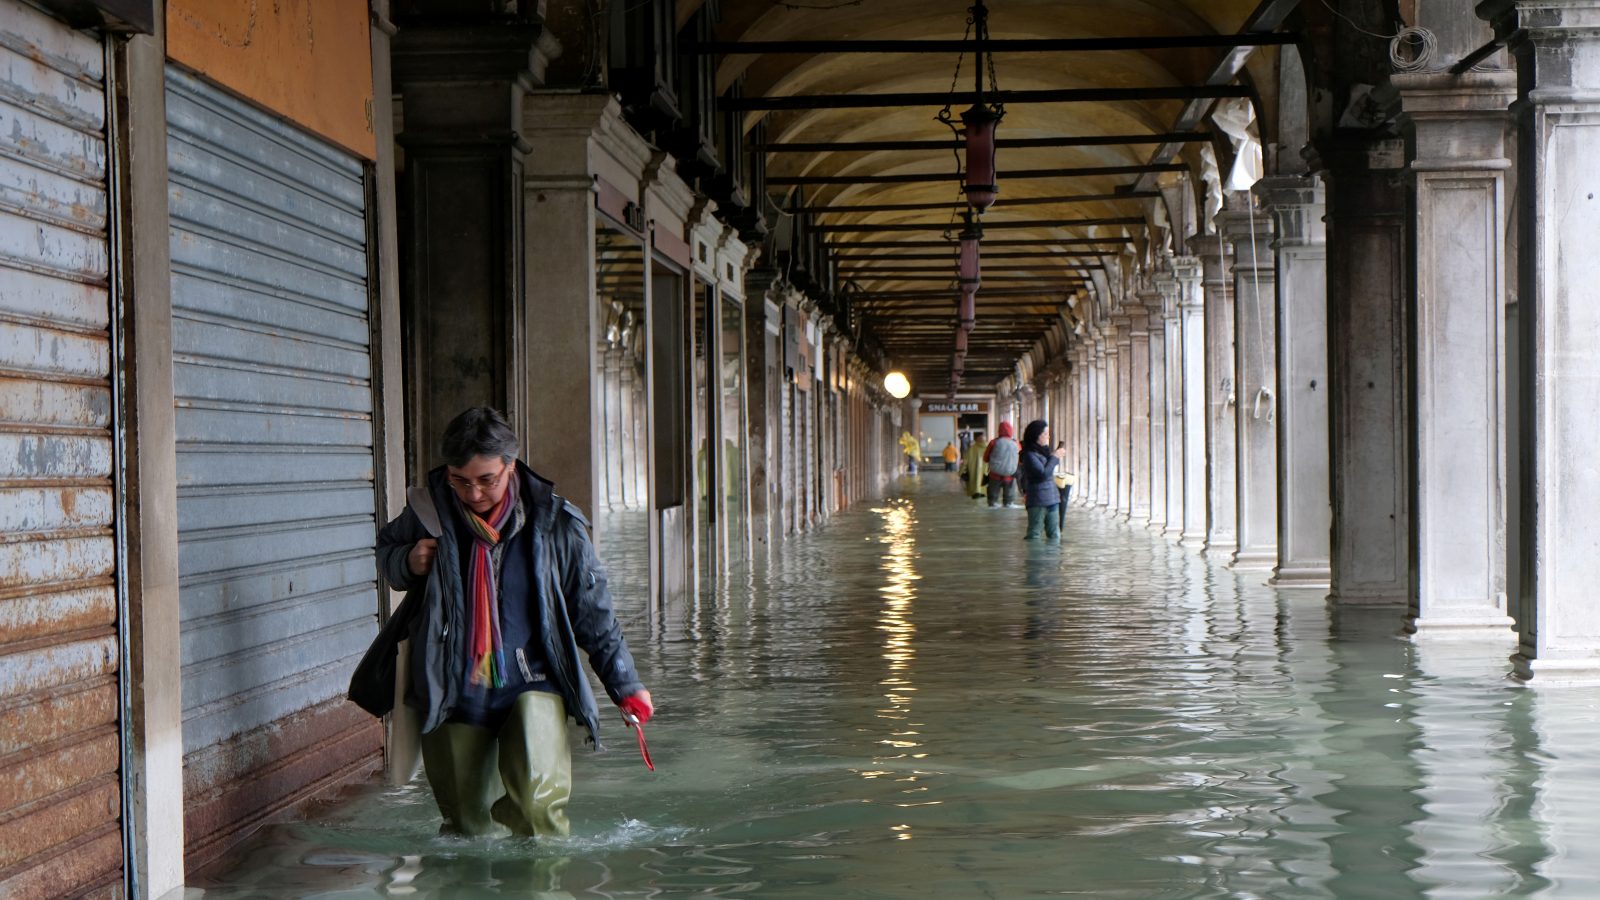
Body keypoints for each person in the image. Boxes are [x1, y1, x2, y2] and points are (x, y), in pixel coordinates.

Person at [375, 407, 653, 837]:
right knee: (467, 827)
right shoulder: (429, 512)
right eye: (460, 480)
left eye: (487, 479)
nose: (474, 493)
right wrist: (408, 561)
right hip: (454, 683)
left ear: (510, 465)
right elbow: (386, 552)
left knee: (539, 816)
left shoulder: (554, 522)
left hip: (534, 679)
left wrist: (625, 685)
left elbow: (592, 610)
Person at [1017, 419, 1067, 540]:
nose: (1048, 436)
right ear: (1036, 436)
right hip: (1037, 500)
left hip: (1052, 498)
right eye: (1045, 434)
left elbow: (1047, 470)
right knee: (1034, 534)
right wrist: (1054, 457)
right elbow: (1043, 474)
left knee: (1055, 535)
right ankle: (1035, 559)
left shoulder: (1043, 451)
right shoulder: (1029, 455)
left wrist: (1054, 456)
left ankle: (1053, 558)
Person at [983, 421, 1021, 508]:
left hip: (994, 474)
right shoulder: (1016, 443)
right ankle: (1009, 502)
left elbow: (985, 458)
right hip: (1010, 474)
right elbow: (1018, 458)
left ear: (999, 430)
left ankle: (993, 502)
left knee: (992, 499)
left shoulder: (993, 442)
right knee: (1009, 498)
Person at [961, 432, 988, 498]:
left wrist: (960, 473)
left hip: (972, 482)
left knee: (974, 499)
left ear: (976, 440)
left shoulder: (971, 449)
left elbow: (964, 462)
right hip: (985, 480)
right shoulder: (989, 449)